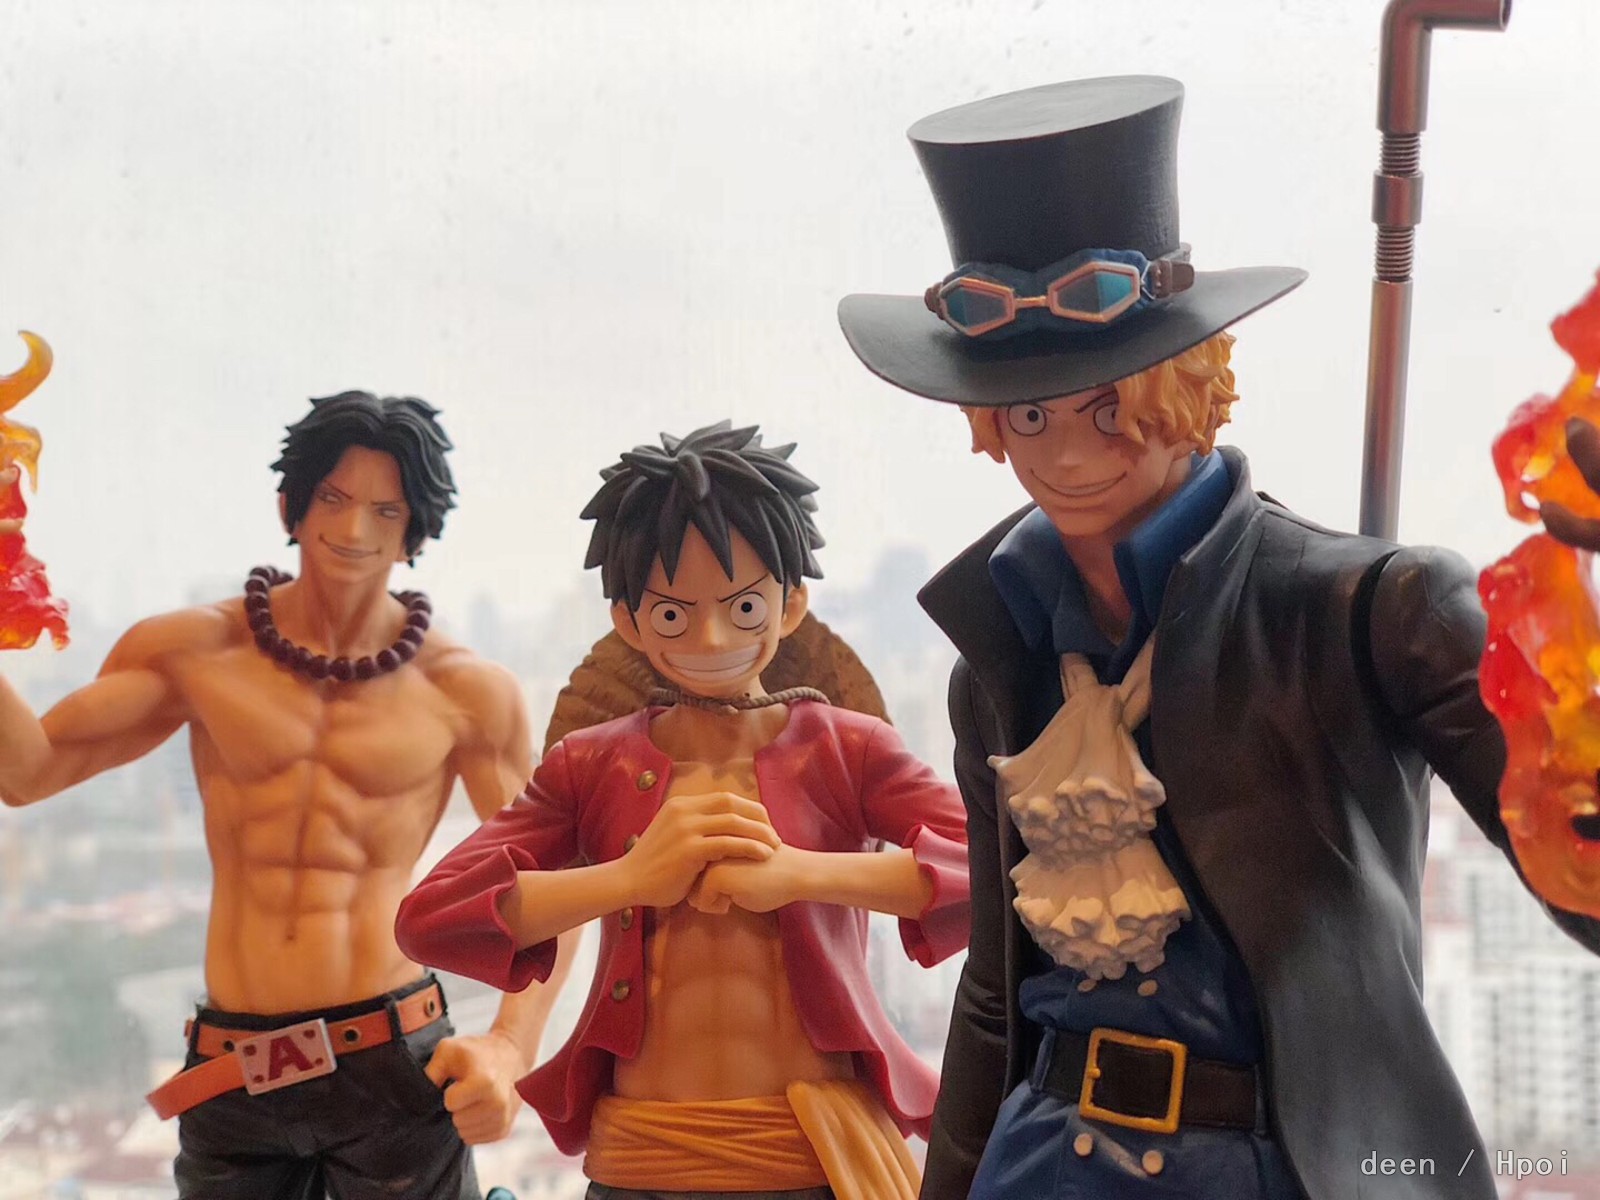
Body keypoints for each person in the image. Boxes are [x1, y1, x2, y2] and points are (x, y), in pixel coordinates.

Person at [836, 76, 1600, 1200]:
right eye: (1030, 412)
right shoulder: (1000, 657)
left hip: (1278, 1164)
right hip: (1043, 1158)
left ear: (1187, 388)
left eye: (1107, 406)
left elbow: (1578, 872)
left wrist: (1574, 630)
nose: (1064, 454)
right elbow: (995, 997)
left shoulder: (1368, 612)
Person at [0, 390, 555, 1200]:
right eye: (333, 497)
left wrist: (510, 1046)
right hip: (232, 1069)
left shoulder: (467, 691)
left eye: (385, 509)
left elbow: (547, 880)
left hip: (392, 1060)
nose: (354, 528)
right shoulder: (195, 652)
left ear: (416, 529)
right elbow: (28, 770)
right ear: (290, 504)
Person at [396, 421, 970, 1200]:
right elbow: (433, 916)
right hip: (642, 1158)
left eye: (744, 606)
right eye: (673, 614)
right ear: (629, 621)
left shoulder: (847, 749)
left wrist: (799, 873)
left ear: (791, 604)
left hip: (807, 1158)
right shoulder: (589, 764)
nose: (710, 636)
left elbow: (991, 869)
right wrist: (629, 878)